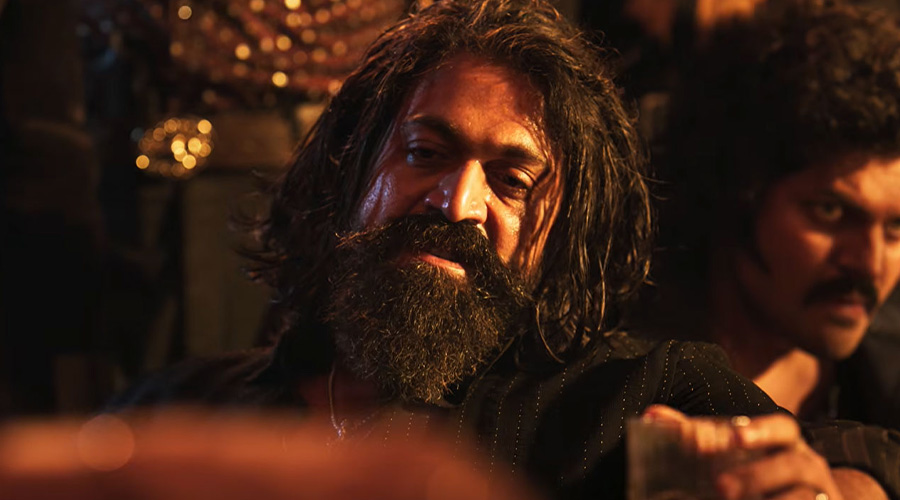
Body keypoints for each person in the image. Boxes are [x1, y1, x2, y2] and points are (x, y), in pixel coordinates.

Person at [111, 0, 900, 499]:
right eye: (425, 154)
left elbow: (843, 453)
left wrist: (834, 487)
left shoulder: (623, 404)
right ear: (349, 172)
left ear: (566, 231)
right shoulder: (183, 406)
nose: (458, 203)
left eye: (512, 182)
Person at [650, 0, 900, 429]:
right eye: (830, 212)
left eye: (896, 227)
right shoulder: (618, 387)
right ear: (736, 193)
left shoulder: (884, 393)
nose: (870, 264)